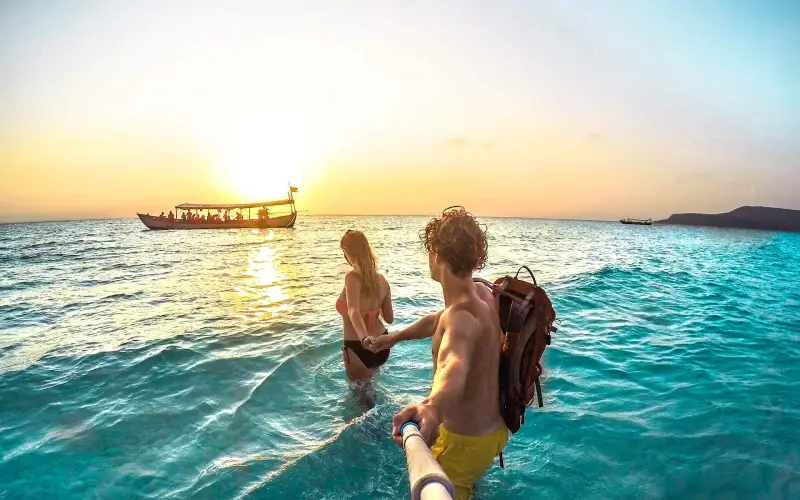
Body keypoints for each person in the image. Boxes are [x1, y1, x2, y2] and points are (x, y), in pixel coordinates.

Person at [381, 207, 507, 500]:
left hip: (463, 441)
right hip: (494, 432)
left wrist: (432, 407)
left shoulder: (461, 318)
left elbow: (454, 363)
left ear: (436, 254)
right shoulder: (481, 294)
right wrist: (394, 338)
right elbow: (437, 321)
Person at [337, 230, 394, 381]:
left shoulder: (351, 278)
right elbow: (389, 318)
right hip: (381, 345)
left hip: (359, 347)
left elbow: (353, 311)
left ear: (347, 254)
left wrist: (363, 339)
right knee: (372, 388)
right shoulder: (383, 281)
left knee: (362, 399)